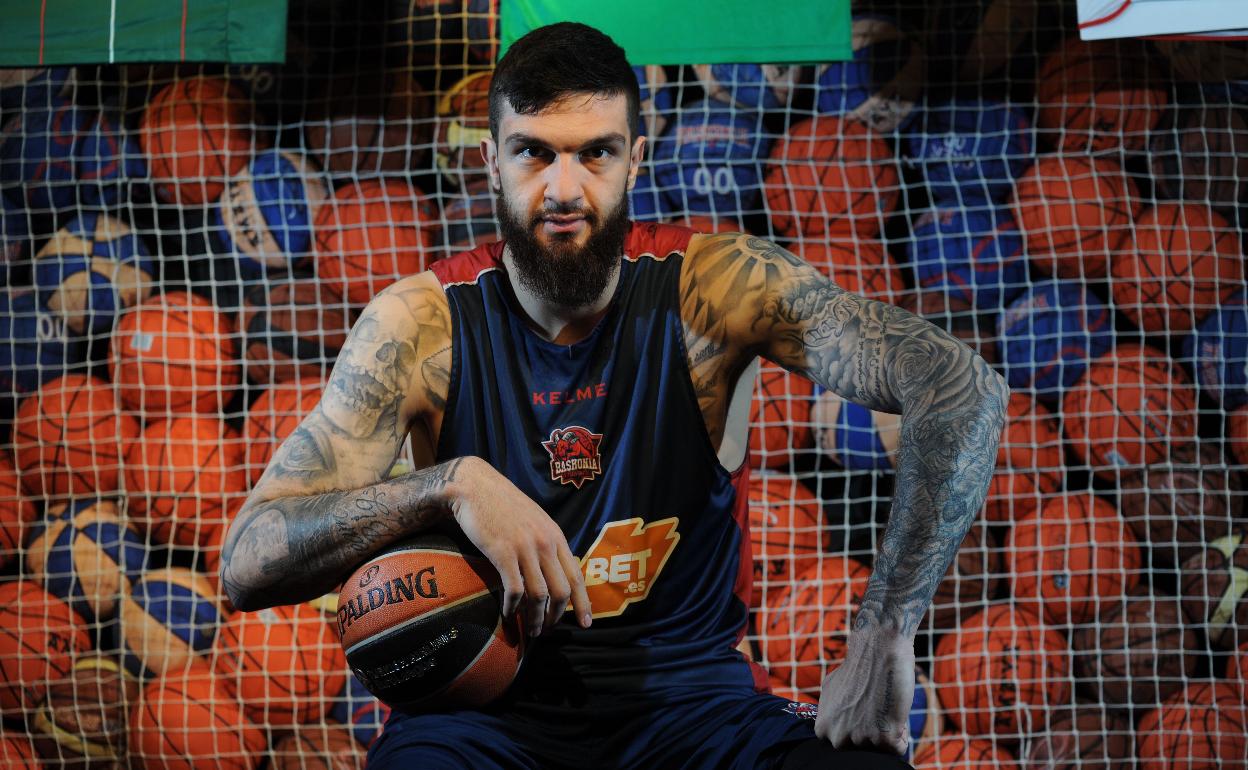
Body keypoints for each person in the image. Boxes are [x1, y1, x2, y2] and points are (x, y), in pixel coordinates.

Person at [220, 21, 1008, 770]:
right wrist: (448, 487)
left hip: (694, 707)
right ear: (491, 162)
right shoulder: (423, 323)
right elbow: (247, 562)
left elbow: (960, 385)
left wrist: (885, 631)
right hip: (477, 717)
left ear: (636, 159)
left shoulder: (714, 287)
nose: (565, 189)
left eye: (594, 154)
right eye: (534, 154)